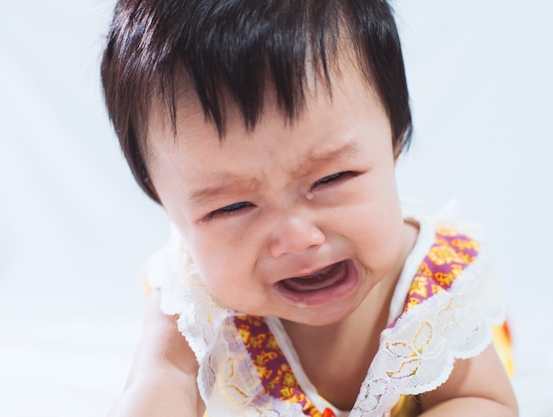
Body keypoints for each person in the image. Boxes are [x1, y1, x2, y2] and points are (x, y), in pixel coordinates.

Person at [100, 1, 518, 416]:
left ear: (395, 136)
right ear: (165, 205)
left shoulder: (437, 292)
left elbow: (483, 402)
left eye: (331, 179)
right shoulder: (194, 299)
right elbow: (158, 381)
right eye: (233, 207)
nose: (297, 239)